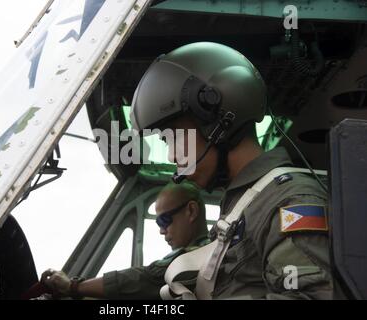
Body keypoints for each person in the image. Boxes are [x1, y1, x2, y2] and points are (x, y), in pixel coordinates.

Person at [129, 42, 333, 299]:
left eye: (175, 137)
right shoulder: (243, 207)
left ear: (219, 121)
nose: (172, 155)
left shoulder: (289, 203)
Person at [38, 180, 209, 299]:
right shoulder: (205, 254)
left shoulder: (192, 259)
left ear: (191, 211)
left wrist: (72, 287)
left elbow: (145, 278)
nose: (161, 231)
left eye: (164, 220)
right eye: (158, 223)